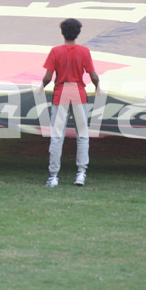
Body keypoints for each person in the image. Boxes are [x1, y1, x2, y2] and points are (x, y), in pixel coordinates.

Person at [41, 18, 100, 188]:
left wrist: (41, 87)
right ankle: (81, 173)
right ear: (78, 33)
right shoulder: (84, 51)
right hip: (78, 93)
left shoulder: (55, 51)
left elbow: (48, 76)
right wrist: (97, 87)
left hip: (61, 94)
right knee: (82, 135)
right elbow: (93, 75)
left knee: (57, 136)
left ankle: (53, 176)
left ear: (62, 33)